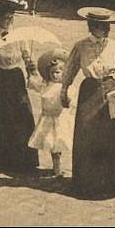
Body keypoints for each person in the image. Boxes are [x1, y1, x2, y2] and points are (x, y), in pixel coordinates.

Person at [61, 7, 115, 199]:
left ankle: (113, 181)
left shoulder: (114, 45)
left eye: (108, 26)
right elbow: (69, 69)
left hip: (111, 90)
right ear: (92, 26)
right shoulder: (81, 46)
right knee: (88, 135)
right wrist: (64, 90)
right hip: (89, 91)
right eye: (103, 26)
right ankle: (87, 181)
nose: (107, 30)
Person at [0, 0, 40, 172]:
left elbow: (27, 57)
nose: (8, 21)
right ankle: (2, 160)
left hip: (16, 79)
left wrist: (32, 71)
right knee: (1, 118)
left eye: (11, 18)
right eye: (5, 18)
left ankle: (23, 161)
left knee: (22, 117)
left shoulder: (19, 36)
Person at [27, 48, 73, 179]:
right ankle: (56, 168)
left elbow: (71, 100)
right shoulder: (45, 85)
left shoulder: (65, 87)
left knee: (58, 144)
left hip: (59, 119)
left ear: (64, 73)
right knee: (51, 144)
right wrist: (31, 72)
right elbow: (33, 85)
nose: (55, 75)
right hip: (47, 119)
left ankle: (58, 169)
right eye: (52, 72)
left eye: (58, 72)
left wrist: (68, 100)